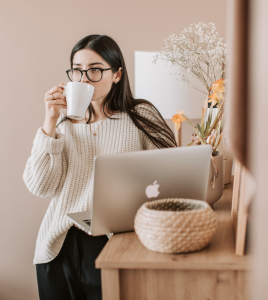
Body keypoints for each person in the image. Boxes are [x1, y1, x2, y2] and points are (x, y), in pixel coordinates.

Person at [23, 34, 177, 300]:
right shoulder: (62, 125)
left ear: (117, 74)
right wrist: (49, 123)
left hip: (114, 243)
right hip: (57, 248)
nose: (83, 79)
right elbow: (40, 186)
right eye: (77, 71)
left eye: (94, 70)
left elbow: (172, 177)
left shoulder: (140, 116)